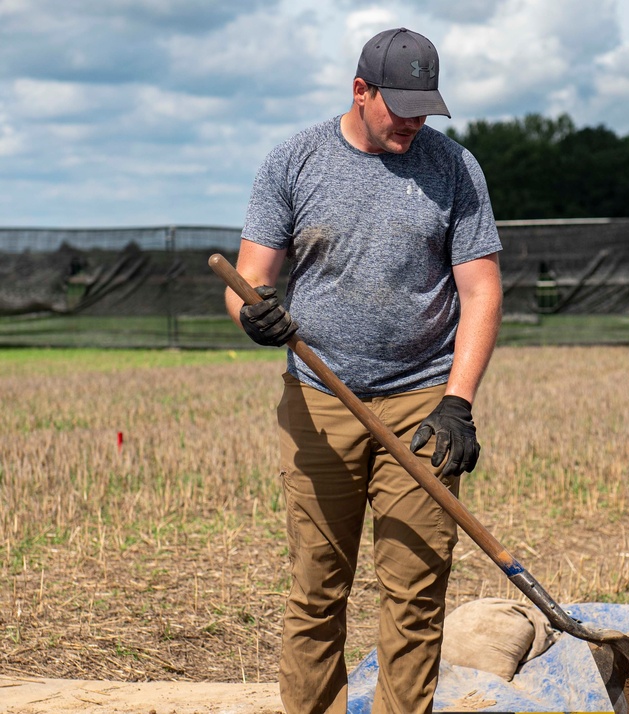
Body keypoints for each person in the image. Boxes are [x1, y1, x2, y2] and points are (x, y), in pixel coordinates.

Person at [224, 27, 503, 714]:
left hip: (421, 404)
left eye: (424, 107)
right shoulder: (294, 161)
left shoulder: (455, 169)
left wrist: (458, 403)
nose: (413, 120)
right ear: (360, 90)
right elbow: (247, 280)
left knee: (415, 592)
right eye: (399, 105)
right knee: (318, 587)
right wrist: (251, 317)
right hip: (321, 400)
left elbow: (481, 290)